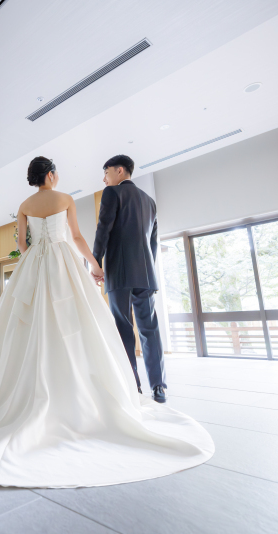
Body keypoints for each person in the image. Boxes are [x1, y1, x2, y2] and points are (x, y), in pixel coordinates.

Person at [0, 156, 213, 488]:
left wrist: (35, 257)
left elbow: (22, 245)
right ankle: (130, 386)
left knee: (27, 323)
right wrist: (95, 265)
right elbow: (77, 238)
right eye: (57, 172)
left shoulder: (24, 204)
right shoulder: (66, 199)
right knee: (80, 323)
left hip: (33, 265)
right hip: (65, 262)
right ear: (50, 175)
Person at [92, 155, 167, 403]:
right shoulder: (150, 202)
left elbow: (103, 229)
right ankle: (159, 387)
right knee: (149, 329)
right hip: (145, 274)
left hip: (120, 272)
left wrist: (96, 263)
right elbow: (153, 244)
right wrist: (148, 269)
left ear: (120, 171)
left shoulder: (112, 194)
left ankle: (132, 384)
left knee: (123, 328)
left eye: (106, 172)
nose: (104, 178)